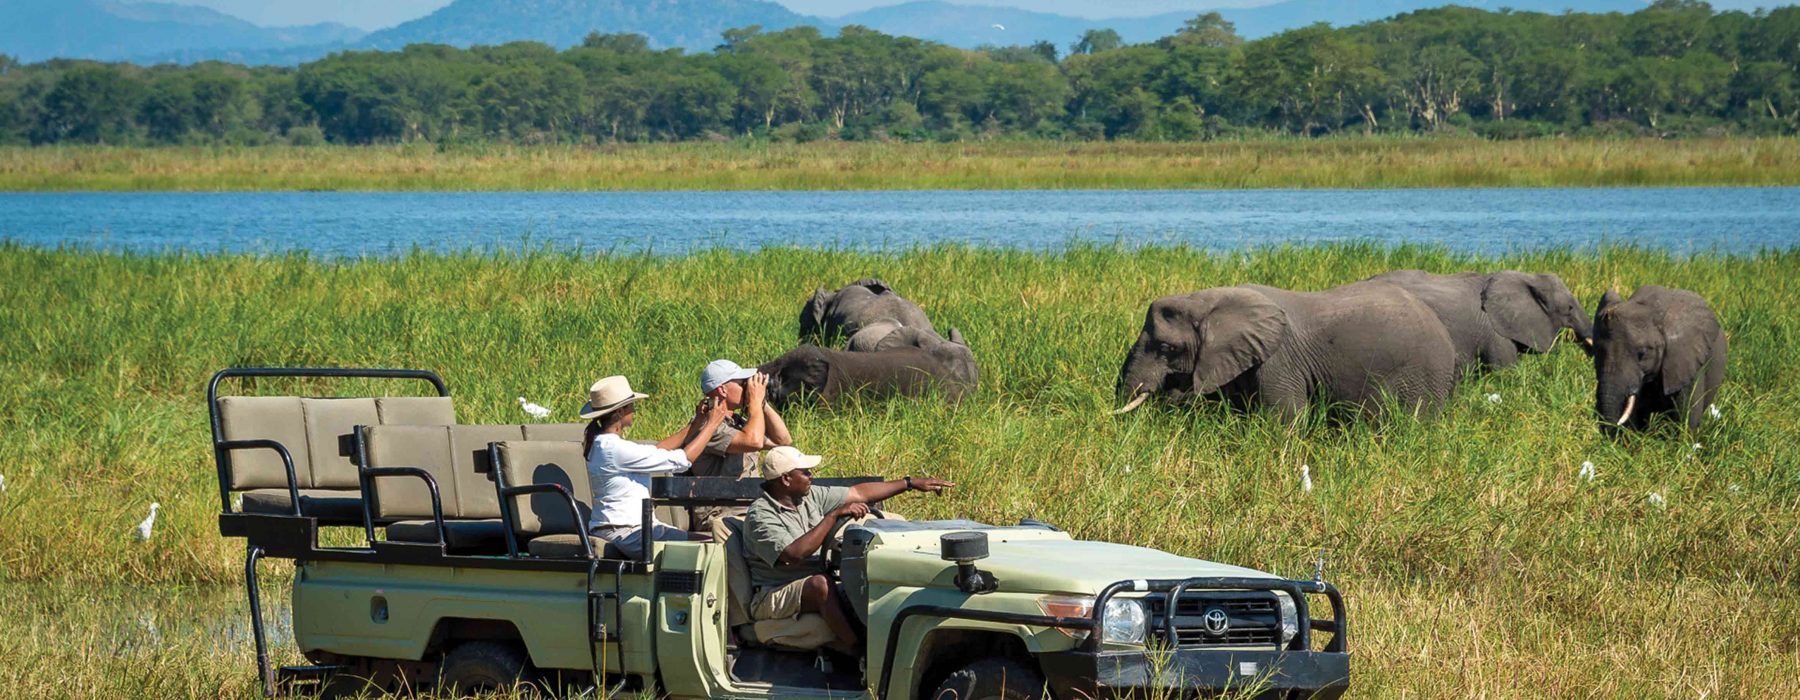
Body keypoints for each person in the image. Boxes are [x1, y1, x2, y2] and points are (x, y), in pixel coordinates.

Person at [743, 445, 954, 653]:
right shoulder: (760, 515)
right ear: (786, 479)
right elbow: (794, 554)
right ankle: (859, 652)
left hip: (813, 575)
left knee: (862, 578)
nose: (811, 476)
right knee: (820, 585)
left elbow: (858, 493)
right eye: (805, 472)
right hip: (774, 591)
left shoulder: (808, 496)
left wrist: (909, 483)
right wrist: (833, 516)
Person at [580, 375, 729, 558]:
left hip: (635, 528)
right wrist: (712, 424)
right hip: (624, 531)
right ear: (619, 412)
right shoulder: (612, 448)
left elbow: (656, 450)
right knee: (709, 548)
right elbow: (682, 460)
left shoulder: (606, 445)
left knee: (710, 541)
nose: (634, 410)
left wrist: (697, 423)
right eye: (631, 406)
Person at [690, 359, 795, 534]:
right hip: (722, 513)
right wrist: (754, 402)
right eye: (742, 384)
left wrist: (762, 403)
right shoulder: (706, 425)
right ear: (722, 389)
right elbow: (753, 442)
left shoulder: (738, 423)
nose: (747, 387)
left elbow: (783, 440)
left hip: (748, 508)